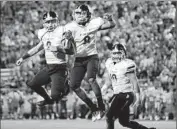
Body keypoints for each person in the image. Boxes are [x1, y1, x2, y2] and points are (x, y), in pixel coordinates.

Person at [64, 4, 116, 121]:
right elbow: (69, 51)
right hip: (79, 59)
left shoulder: (94, 23)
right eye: (78, 13)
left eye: (83, 13)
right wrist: (68, 40)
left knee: (91, 79)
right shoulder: (69, 27)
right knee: (73, 85)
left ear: (88, 15)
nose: (81, 16)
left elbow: (112, 25)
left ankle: (101, 107)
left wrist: (110, 19)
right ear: (74, 15)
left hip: (92, 57)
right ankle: (93, 108)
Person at [16, 11, 75, 107]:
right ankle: (48, 100)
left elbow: (71, 51)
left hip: (60, 67)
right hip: (49, 67)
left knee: (56, 95)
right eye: (48, 22)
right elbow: (37, 48)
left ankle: (66, 86)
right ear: (44, 23)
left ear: (57, 21)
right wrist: (23, 58)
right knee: (32, 84)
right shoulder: (43, 33)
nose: (50, 24)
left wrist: (57, 48)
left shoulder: (62, 31)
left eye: (52, 21)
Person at [101, 43, 156, 129]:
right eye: (114, 53)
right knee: (124, 122)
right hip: (118, 94)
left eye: (118, 53)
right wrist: (104, 88)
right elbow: (110, 79)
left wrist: (138, 96)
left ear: (123, 53)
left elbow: (134, 81)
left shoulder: (127, 64)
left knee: (109, 117)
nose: (116, 55)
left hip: (126, 94)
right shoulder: (109, 63)